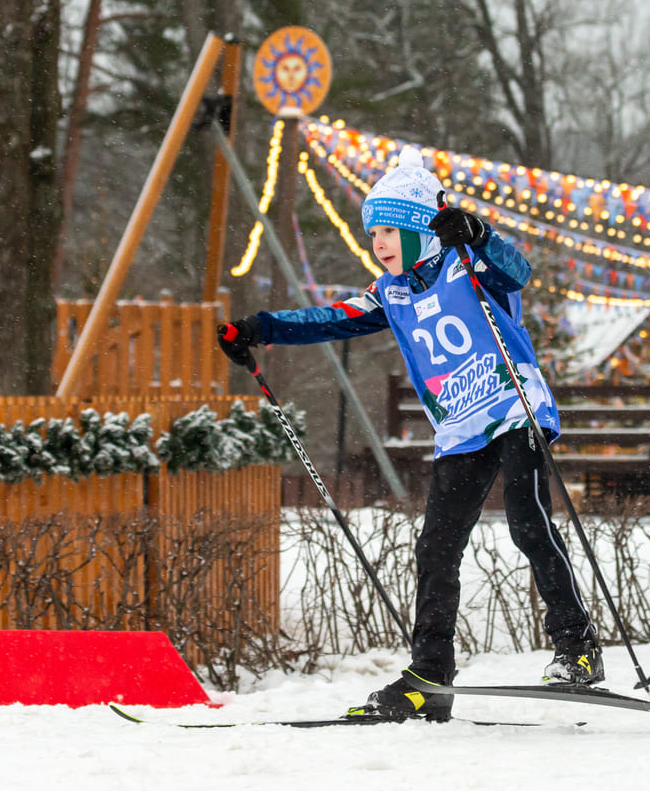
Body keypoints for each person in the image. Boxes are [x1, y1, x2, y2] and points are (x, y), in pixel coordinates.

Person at [217, 146, 601, 722]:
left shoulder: (466, 264)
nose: (379, 242)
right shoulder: (390, 293)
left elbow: (517, 271)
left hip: (512, 405)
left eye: (391, 230)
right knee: (436, 546)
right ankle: (429, 676)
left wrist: (477, 233)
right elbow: (332, 317)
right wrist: (259, 328)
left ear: (423, 229)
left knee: (527, 519)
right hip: (461, 427)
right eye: (373, 233)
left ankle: (577, 648)